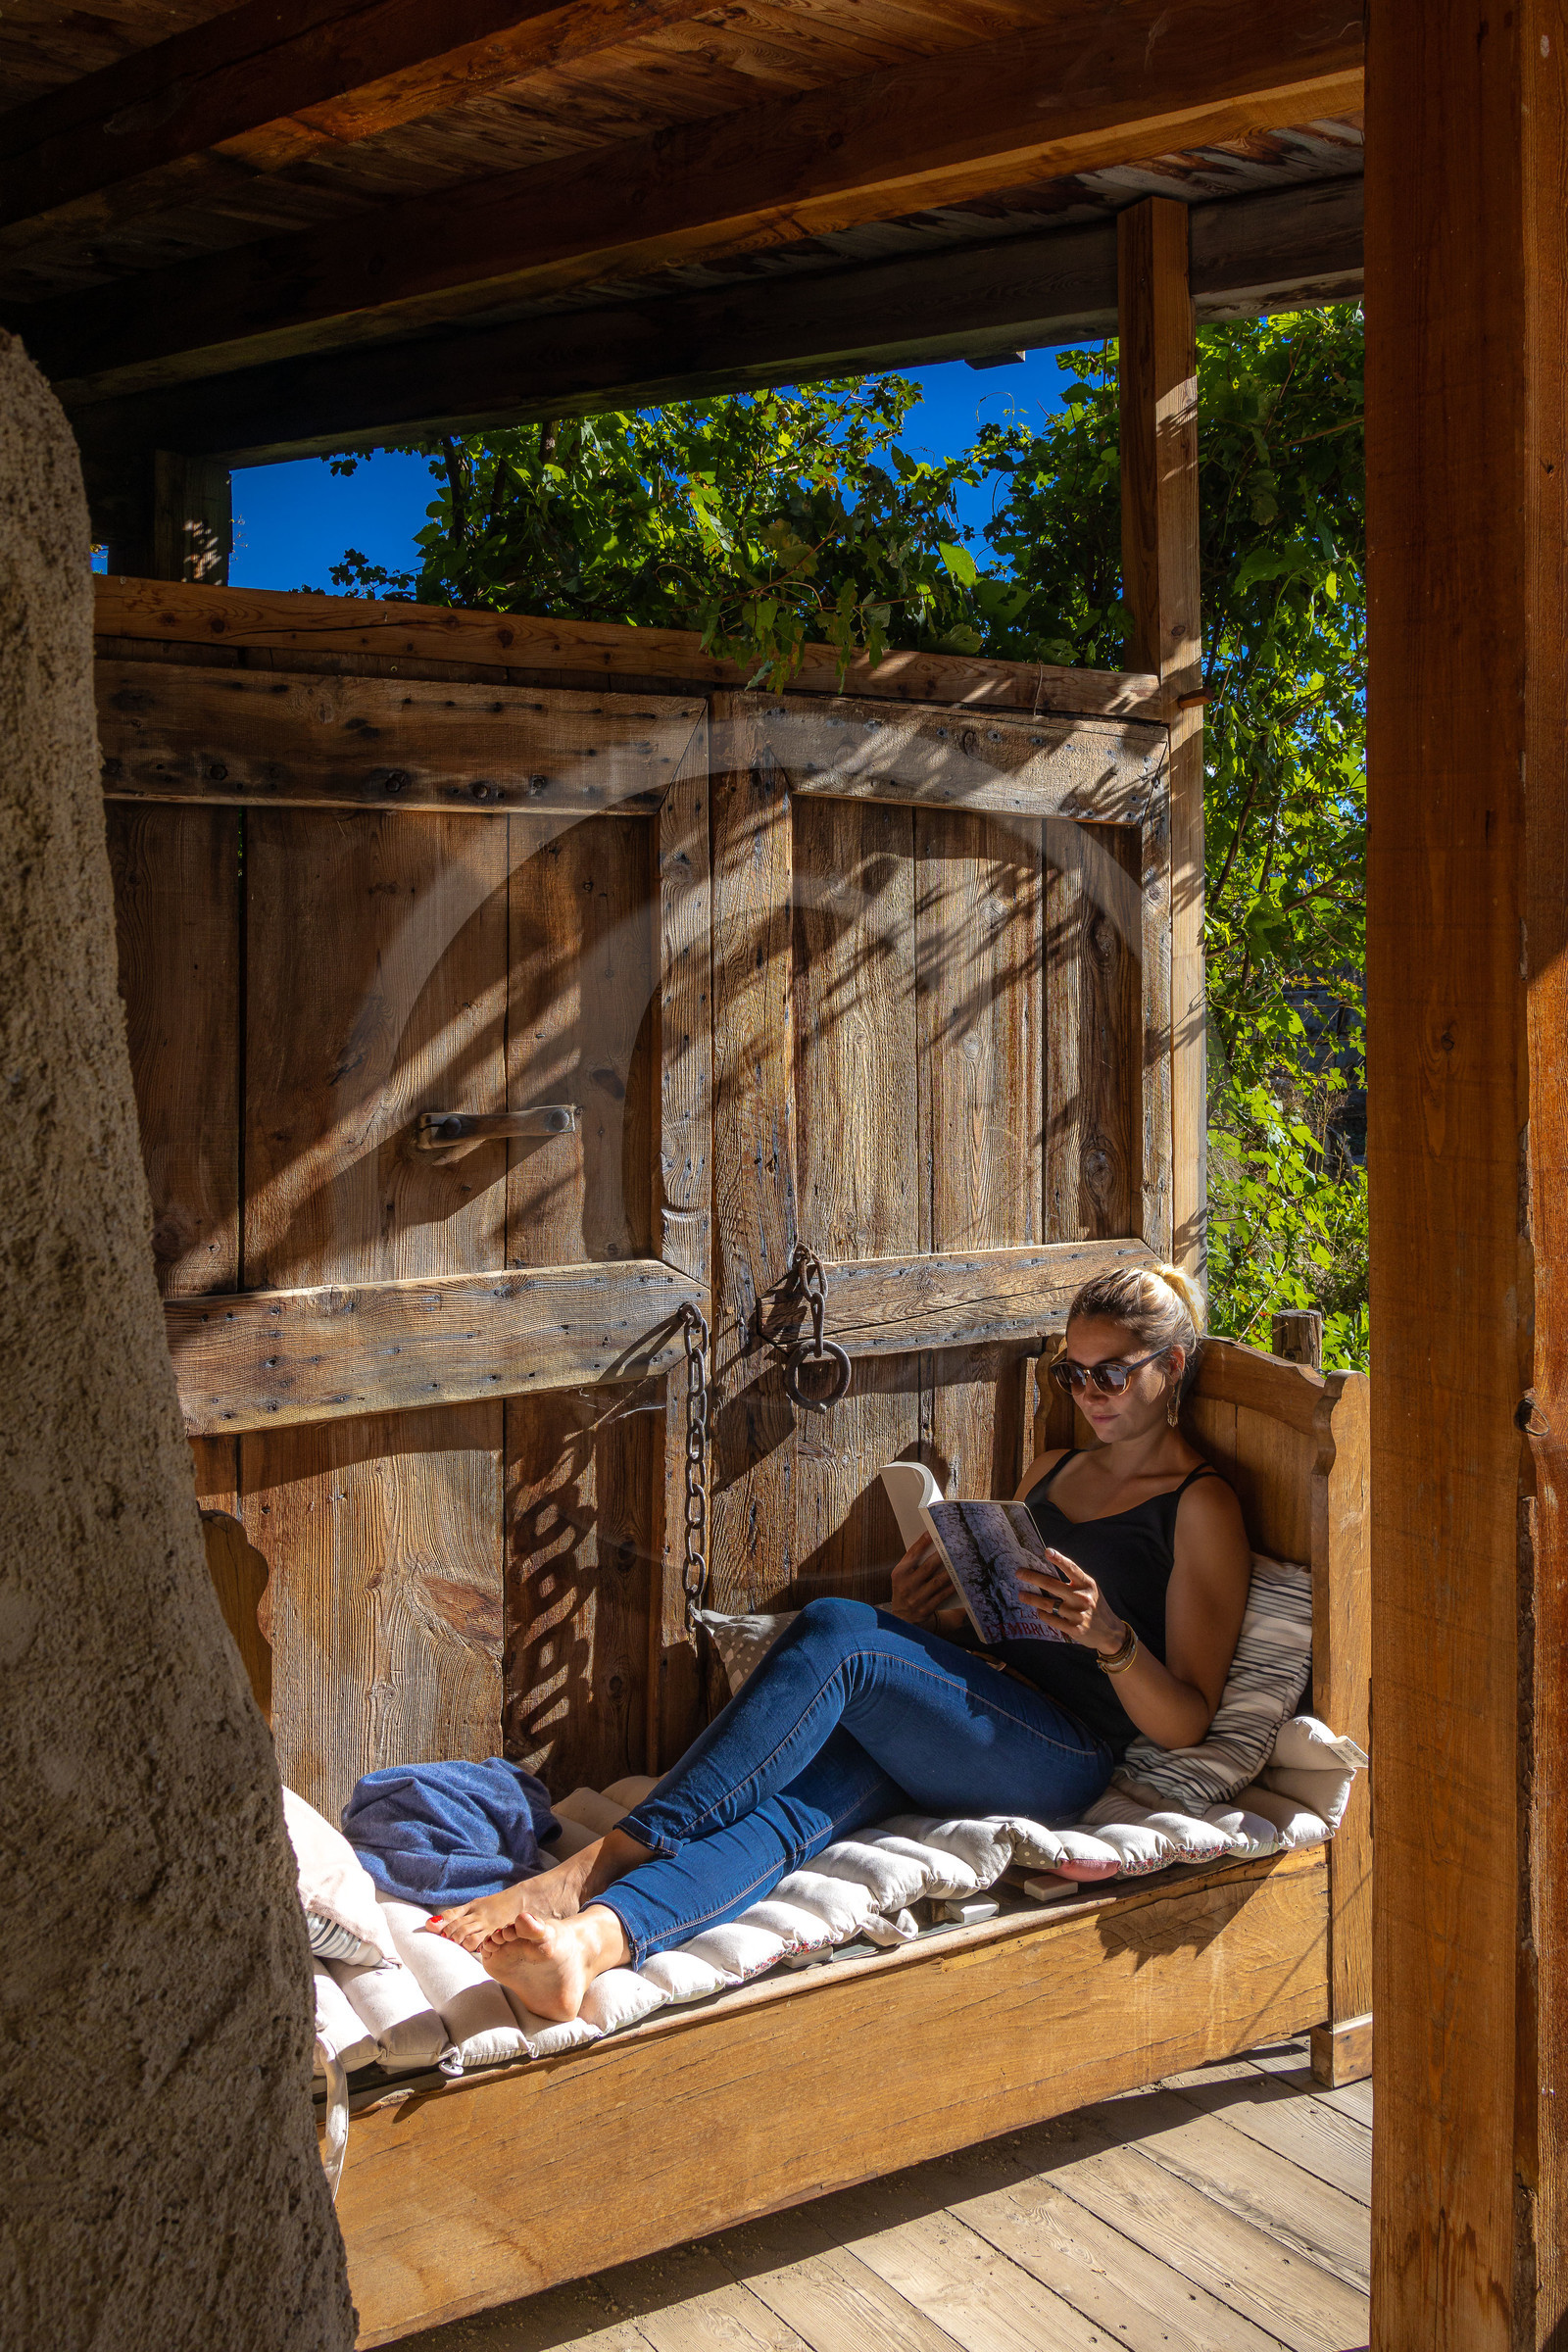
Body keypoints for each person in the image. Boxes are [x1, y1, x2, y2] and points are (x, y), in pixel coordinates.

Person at [427, 1263, 1252, 2021]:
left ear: (1171, 1368)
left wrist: (1111, 1638)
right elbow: (1012, 1625)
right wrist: (931, 1613)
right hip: (973, 1713)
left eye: (1111, 1373)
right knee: (795, 1812)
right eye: (1073, 1373)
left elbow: (1185, 1722)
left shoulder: (1200, 1506)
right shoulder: (1053, 1471)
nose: (1089, 1392)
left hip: (1062, 1751)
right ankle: (589, 1945)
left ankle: (596, 1865)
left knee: (839, 1633)